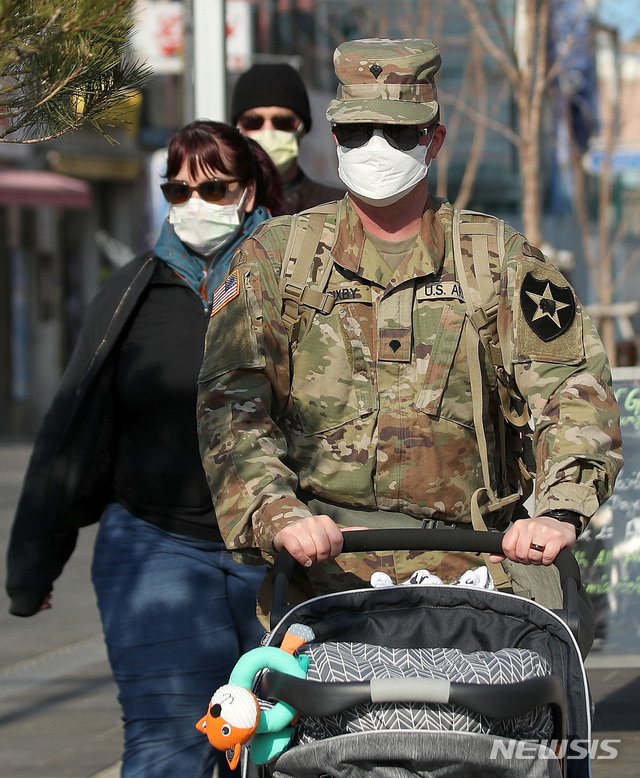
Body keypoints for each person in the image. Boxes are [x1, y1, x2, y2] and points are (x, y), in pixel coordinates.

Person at [196, 39, 623, 655]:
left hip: (480, 586)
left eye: (398, 133)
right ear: (335, 138)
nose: (376, 148)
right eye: (357, 132)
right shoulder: (277, 257)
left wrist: (559, 510)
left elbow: (572, 387)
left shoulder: (495, 259)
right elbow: (231, 407)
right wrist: (277, 512)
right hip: (325, 585)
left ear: (434, 140)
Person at [6, 120, 283, 778]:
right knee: (170, 748)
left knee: (291, 747)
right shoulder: (133, 291)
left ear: (248, 192)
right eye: (177, 190)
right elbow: (74, 423)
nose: (193, 203)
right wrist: (33, 566)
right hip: (157, 544)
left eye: (213, 189)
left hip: (281, 552)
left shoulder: (293, 282)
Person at [230, 62, 345, 214]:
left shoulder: (337, 209)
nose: (268, 131)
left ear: (303, 129)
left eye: (283, 122)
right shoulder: (218, 201)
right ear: (237, 129)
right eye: (253, 122)